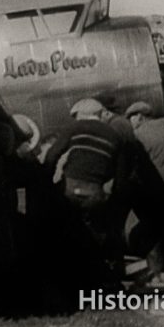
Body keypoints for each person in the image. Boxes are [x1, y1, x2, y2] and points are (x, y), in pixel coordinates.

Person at [45, 98, 127, 277]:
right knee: (97, 233)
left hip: (69, 188)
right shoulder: (115, 136)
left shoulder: (75, 128)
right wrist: (111, 199)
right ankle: (103, 277)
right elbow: (120, 176)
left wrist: (45, 181)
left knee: (66, 231)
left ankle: (72, 279)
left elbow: (52, 155)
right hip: (95, 193)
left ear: (82, 115)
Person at [125, 101, 164, 278]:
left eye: (131, 118)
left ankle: (156, 270)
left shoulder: (137, 135)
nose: (130, 122)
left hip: (154, 185)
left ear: (140, 117)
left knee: (152, 226)